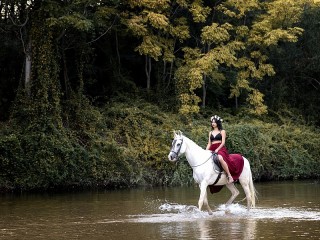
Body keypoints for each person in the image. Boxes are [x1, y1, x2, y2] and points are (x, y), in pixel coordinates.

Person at [206, 115, 234, 184]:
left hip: (220, 148)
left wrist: (217, 149)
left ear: (217, 123)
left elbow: (223, 142)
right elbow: (209, 143)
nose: (213, 123)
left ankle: (229, 176)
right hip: (212, 148)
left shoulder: (222, 131)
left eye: (214, 122)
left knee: (220, 158)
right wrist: (205, 151)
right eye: (212, 122)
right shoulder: (210, 132)